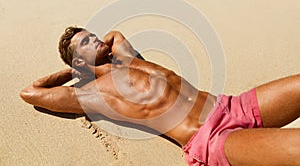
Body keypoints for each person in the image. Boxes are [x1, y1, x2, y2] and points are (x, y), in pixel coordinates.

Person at [20, 26, 300, 166]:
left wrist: (94, 52)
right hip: (211, 139)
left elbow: (115, 35)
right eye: (85, 42)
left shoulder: (127, 58)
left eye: (91, 35)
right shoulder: (94, 93)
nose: (94, 40)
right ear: (78, 61)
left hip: (231, 106)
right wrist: (73, 71)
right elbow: (31, 92)